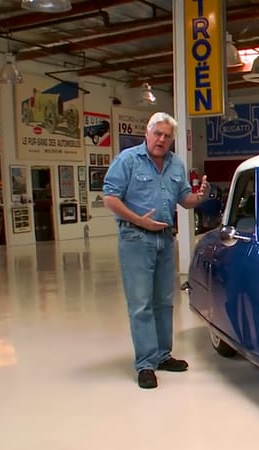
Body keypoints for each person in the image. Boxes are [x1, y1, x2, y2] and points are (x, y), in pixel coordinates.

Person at [103, 112, 209, 389]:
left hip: (164, 239)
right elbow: (110, 197)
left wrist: (201, 196)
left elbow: (184, 199)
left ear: (172, 140)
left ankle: (163, 355)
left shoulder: (176, 164)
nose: (161, 139)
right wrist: (139, 221)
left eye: (167, 136)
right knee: (141, 305)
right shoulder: (128, 160)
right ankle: (145, 364)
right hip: (135, 238)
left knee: (164, 302)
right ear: (147, 133)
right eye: (157, 133)